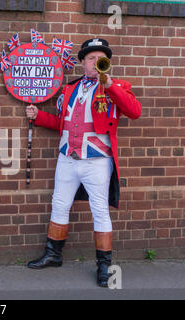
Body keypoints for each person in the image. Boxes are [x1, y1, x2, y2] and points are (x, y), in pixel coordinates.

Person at [25, 38, 142, 287]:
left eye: (101, 58)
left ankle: (104, 266)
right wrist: (40, 116)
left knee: (99, 209)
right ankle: (53, 254)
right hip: (67, 157)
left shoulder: (117, 85)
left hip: (97, 159)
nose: (96, 62)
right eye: (91, 58)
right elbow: (62, 123)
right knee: (59, 203)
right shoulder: (71, 88)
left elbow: (134, 111)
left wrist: (109, 84)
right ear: (82, 63)